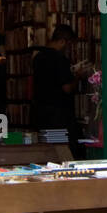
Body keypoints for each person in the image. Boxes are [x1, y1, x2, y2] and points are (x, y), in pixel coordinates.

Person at [31, 24, 84, 159]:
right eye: (69, 44)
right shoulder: (60, 59)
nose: (69, 48)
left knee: (47, 149)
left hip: (41, 111)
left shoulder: (38, 58)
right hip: (59, 113)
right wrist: (78, 76)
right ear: (62, 41)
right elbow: (67, 88)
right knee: (65, 148)